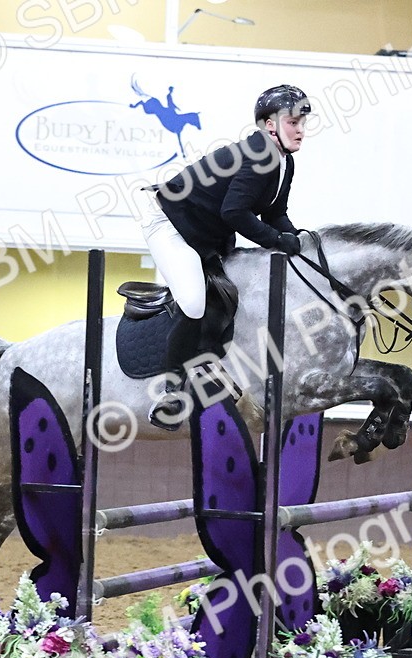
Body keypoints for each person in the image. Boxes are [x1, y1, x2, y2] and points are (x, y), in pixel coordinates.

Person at [137, 84, 311, 430]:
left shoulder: (283, 162)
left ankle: (210, 369)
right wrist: (277, 240)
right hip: (168, 222)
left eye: (303, 122)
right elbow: (235, 212)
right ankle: (169, 391)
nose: (301, 130)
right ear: (269, 125)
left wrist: (297, 240)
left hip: (205, 231)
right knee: (193, 301)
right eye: (293, 122)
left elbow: (275, 213)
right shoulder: (259, 154)